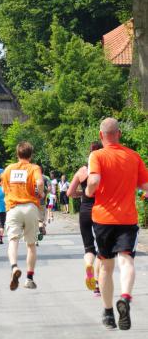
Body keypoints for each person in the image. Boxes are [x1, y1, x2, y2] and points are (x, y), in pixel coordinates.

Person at [86, 118, 148, 330]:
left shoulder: (97, 155)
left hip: (103, 219)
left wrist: (88, 192)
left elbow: (93, 181)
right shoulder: (133, 156)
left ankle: (108, 313)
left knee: (105, 266)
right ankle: (125, 297)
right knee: (126, 261)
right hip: (127, 219)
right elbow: (145, 184)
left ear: (101, 135)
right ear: (119, 134)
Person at [2, 141, 44, 291]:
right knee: (31, 244)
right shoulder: (34, 168)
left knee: (13, 241)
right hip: (30, 207)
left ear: (17, 154)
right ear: (31, 154)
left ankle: (14, 268)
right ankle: (29, 278)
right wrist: (41, 192)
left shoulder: (8, 169)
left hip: (13, 208)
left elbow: (4, 188)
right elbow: (39, 182)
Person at [67, 141, 103, 297]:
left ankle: (88, 264)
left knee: (89, 248)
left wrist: (82, 194)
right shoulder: (103, 171)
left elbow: (69, 193)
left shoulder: (81, 171)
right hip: (101, 212)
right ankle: (96, 285)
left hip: (84, 211)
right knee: (102, 250)